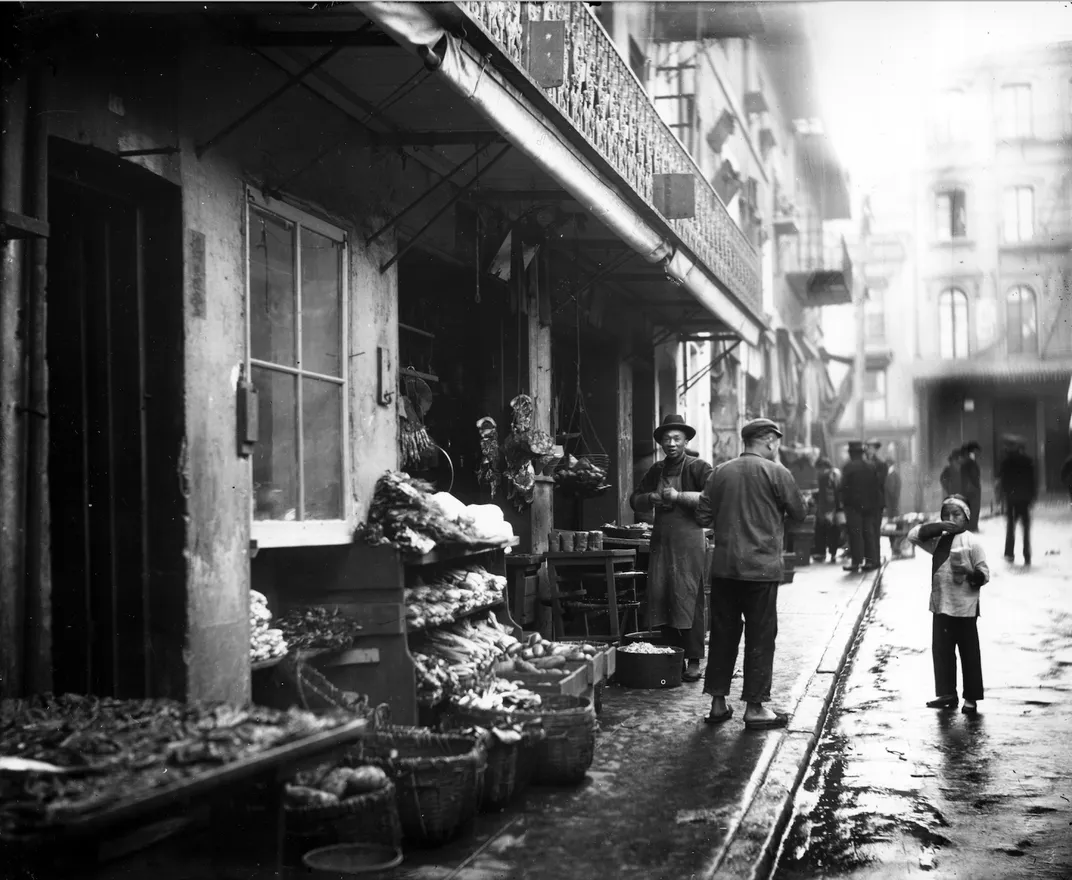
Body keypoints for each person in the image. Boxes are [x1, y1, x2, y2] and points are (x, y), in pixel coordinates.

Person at [695, 418, 807, 729]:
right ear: (770, 441)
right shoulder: (777, 473)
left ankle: (718, 703)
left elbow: (703, 514)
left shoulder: (720, 472)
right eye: (777, 443)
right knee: (760, 635)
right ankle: (755, 708)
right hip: (761, 570)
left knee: (722, 634)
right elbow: (800, 512)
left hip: (725, 568)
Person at [630, 414, 713, 683]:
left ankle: (694, 660)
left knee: (689, 596)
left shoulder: (699, 467)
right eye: (666, 439)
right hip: (662, 541)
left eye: (677, 438)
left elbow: (713, 497)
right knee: (661, 595)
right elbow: (634, 500)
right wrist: (650, 497)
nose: (671, 443)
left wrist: (680, 497)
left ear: (686, 440)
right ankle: (670, 655)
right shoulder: (656, 470)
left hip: (689, 542)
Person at [907, 495, 990, 714]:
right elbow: (913, 535)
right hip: (941, 606)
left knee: (969, 654)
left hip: (965, 609)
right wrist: (938, 527)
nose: (951, 519)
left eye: (956, 514)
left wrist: (970, 572)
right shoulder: (939, 541)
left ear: (967, 517)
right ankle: (947, 694)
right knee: (942, 652)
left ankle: (971, 698)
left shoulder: (973, 543)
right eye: (946, 515)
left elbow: (984, 574)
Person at [840, 440, 882, 573]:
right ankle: (871, 561)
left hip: (853, 507)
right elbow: (877, 487)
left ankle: (856, 562)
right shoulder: (871, 466)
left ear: (851, 453)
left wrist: (844, 503)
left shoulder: (848, 467)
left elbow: (843, 487)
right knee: (869, 533)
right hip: (870, 507)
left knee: (855, 534)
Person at [996, 436, 1035, 565]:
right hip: (1024, 499)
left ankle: (1009, 554)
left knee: (1010, 528)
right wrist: (1032, 497)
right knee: (1025, 529)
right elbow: (1032, 481)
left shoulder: (1006, 462)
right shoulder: (1028, 461)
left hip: (1012, 500)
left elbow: (1003, 481)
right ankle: (1027, 555)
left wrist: (1002, 497)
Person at [812, 457, 841, 563]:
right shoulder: (837, 474)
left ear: (822, 467)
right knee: (834, 531)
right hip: (836, 508)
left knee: (820, 530)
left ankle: (821, 553)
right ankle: (833, 553)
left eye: (818, 469)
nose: (817, 472)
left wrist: (824, 511)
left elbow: (826, 494)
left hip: (826, 509)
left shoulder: (824, 476)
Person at [868, 438, 889, 558]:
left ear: (875, 449)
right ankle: (870, 557)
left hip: (876, 501)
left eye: (871, 447)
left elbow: (880, 481)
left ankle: (875, 558)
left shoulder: (881, 464)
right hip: (866, 502)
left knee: (875, 531)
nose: (868, 450)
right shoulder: (865, 463)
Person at [883, 450, 903, 557]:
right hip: (889, 507)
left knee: (894, 527)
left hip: (893, 507)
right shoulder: (889, 475)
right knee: (890, 528)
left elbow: (895, 492)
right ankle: (893, 546)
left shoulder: (894, 475)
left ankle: (896, 547)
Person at [959, 442, 982, 531]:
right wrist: (973, 486)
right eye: (977, 452)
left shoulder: (969, 462)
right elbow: (971, 476)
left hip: (971, 489)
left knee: (972, 509)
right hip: (972, 490)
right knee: (973, 509)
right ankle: (972, 527)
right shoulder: (969, 462)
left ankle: (972, 526)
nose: (979, 454)